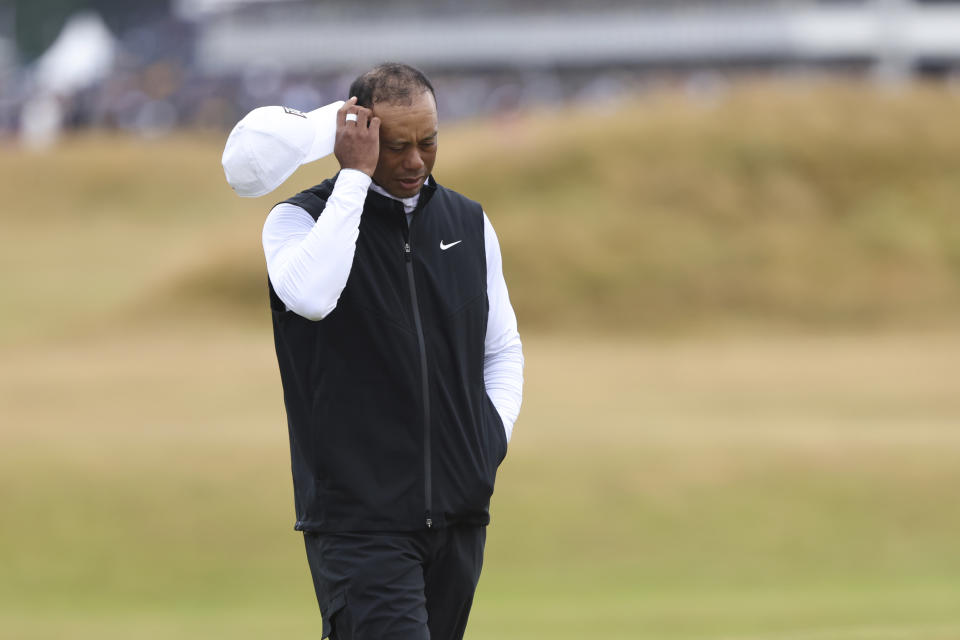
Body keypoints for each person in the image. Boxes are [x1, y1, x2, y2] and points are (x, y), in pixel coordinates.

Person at [261, 62, 524, 640]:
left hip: (458, 516)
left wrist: (487, 441)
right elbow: (310, 296)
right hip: (359, 523)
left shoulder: (469, 223)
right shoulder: (296, 221)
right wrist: (354, 178)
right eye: (396, 146)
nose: (414, 162)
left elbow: (501, 349)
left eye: (427, 143)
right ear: (358, 132)